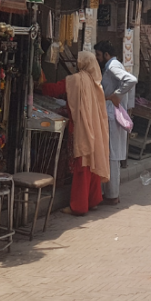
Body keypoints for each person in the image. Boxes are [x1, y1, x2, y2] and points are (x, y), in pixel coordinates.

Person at [39, 52, 109, 215]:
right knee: (93, 163)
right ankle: (93, 200)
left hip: (81, 128)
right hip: (96, 128)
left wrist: (39, 85)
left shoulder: (76, 79)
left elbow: (55, 89)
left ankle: (79, 206)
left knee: (82, 164)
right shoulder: (95, 82)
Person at [94, 40, 137, 206]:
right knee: (112, 153)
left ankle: (112, 195)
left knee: (112, 155)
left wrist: (116, 95)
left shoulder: (113, 65)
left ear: (106, 55)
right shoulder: (111, 66)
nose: (97, 58)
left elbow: (131, 80)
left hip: (112, 114)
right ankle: (110, 193)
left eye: (98, 55)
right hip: (111, 114)